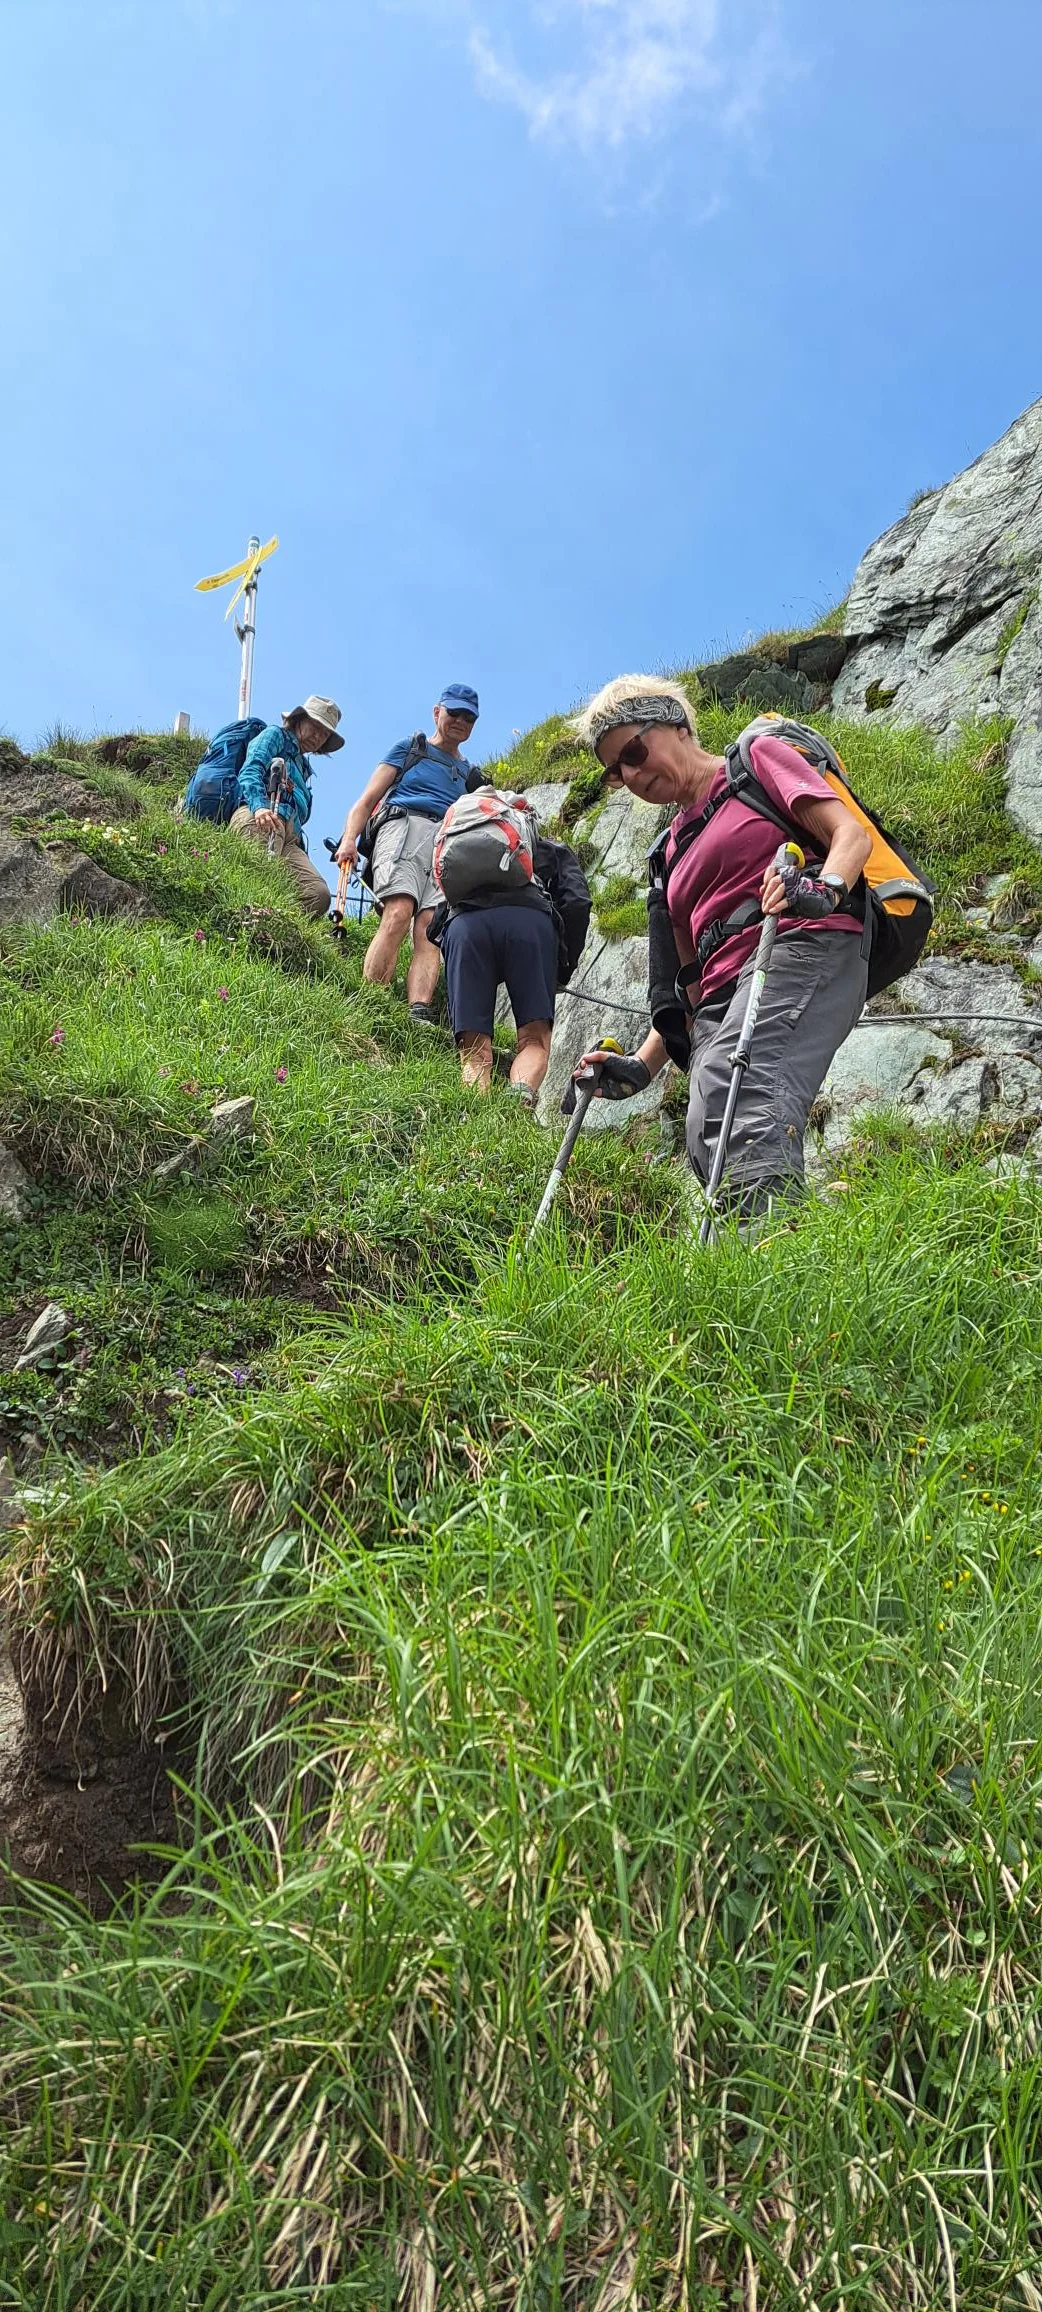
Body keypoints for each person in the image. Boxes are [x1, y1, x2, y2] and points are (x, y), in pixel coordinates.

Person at [567, 675, 873, 1221]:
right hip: (722, 998)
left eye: (635, 751)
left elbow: (850, 835)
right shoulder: (668, 853)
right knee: (709, 1123)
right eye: (616, 771)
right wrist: (640, 1066)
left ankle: (779, 1266)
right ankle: (768, 1267)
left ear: (679, 726)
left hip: (799, 942)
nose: (632, 775)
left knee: (747, 1096)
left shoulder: (756, 760)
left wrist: (822, 889)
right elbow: (692, 982)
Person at [335, 685, 485, 1022]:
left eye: (469, 717)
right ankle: (370, 999)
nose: (460, 721)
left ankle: (418, 1010)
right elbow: (368, 798)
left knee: (430, 926)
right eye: (454, 713)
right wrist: (349, 839)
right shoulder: (410, 749)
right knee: (399, 911)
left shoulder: (471, 776)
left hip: (446, 843)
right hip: (402, 827)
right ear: (437, 713)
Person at [428, 818, 592, 1104]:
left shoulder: (465, 851)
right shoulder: (549, 847)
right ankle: (517, 1104)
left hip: (465, 927)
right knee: (533, 1041)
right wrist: (561, 969)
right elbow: (577, 901)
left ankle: (476, 1121)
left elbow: (438, 918)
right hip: (529, 923)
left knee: (474, 1051)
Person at [230, 695, 343, 919]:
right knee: (257, 879)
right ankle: (245, 925)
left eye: (325, 733)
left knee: (317, 894)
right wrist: (259, 807)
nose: (318, 736)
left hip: (289, 836)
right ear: (298, 720)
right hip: (260, 817)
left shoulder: (303, 767)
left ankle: (275, 925)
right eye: (315, 726)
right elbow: (251, 769)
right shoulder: (275, 736)